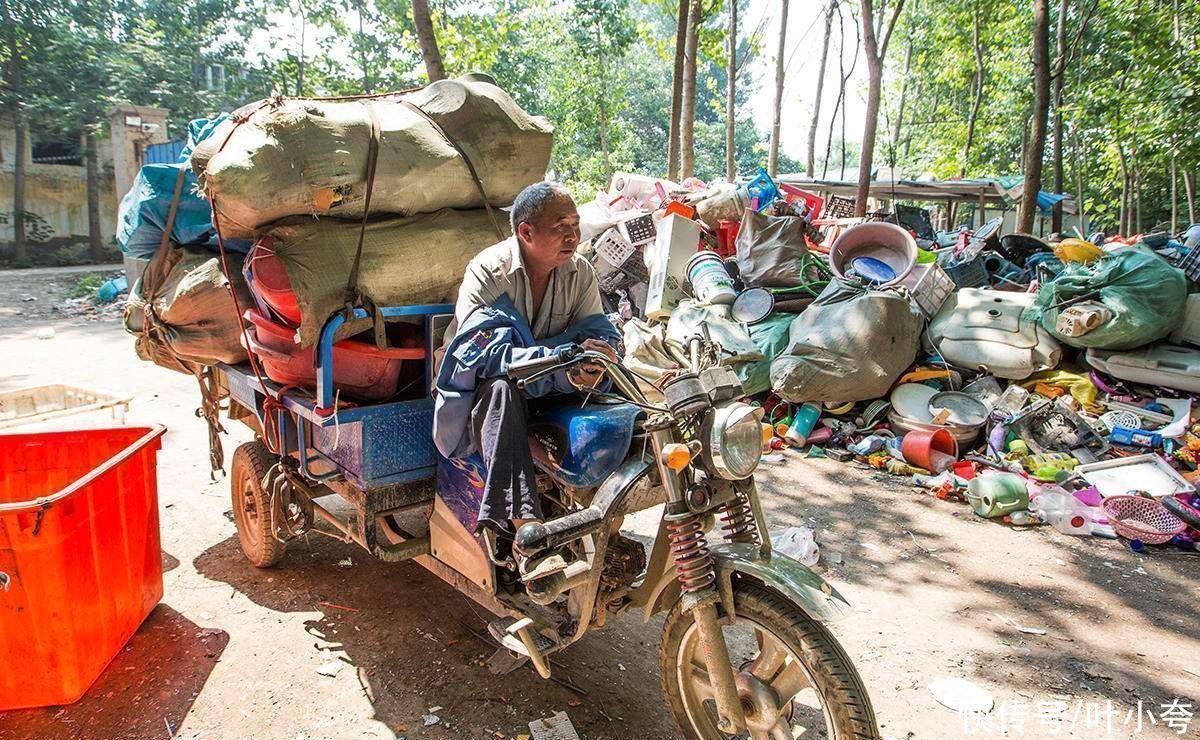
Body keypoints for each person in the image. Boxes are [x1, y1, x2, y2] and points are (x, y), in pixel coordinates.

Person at [433, 181, 621, 536]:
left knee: (618, 403)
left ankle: (607, 513)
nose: (573, 236)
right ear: (526, 232)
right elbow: (485, 359)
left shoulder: (580, 272)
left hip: (548, 389)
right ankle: (527, 531)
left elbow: (599, 335)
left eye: (575, 225)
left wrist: (596, 360)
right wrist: (566, 360)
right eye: (561, 227)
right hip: (479, 398)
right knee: (501, 388)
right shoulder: (489, 270)